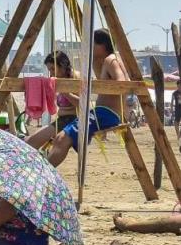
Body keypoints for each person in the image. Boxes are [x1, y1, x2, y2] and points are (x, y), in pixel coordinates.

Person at [47, 30, 127, 168]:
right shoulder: (105, 61)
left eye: (92, 44)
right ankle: (47, 172)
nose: (89, 48)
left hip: (105, 115)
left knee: (62, 139)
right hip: (101, 113)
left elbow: (122, 83)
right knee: (59, 139)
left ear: (102, 45)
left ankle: (45, 175)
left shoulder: (111, 60)